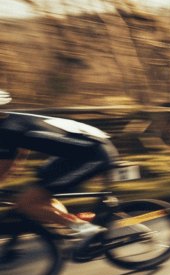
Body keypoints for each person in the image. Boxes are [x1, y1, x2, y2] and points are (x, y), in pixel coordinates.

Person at [0, 90, 116, 240]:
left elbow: (3, 169)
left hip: (92, 155)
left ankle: (86, 230)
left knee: (25, 204)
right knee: (41, 183)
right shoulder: (12, 120)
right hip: (84, 150)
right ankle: (70, 229)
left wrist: (8, 173)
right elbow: (21, 150)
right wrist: (17, 167)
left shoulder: (5, 131)